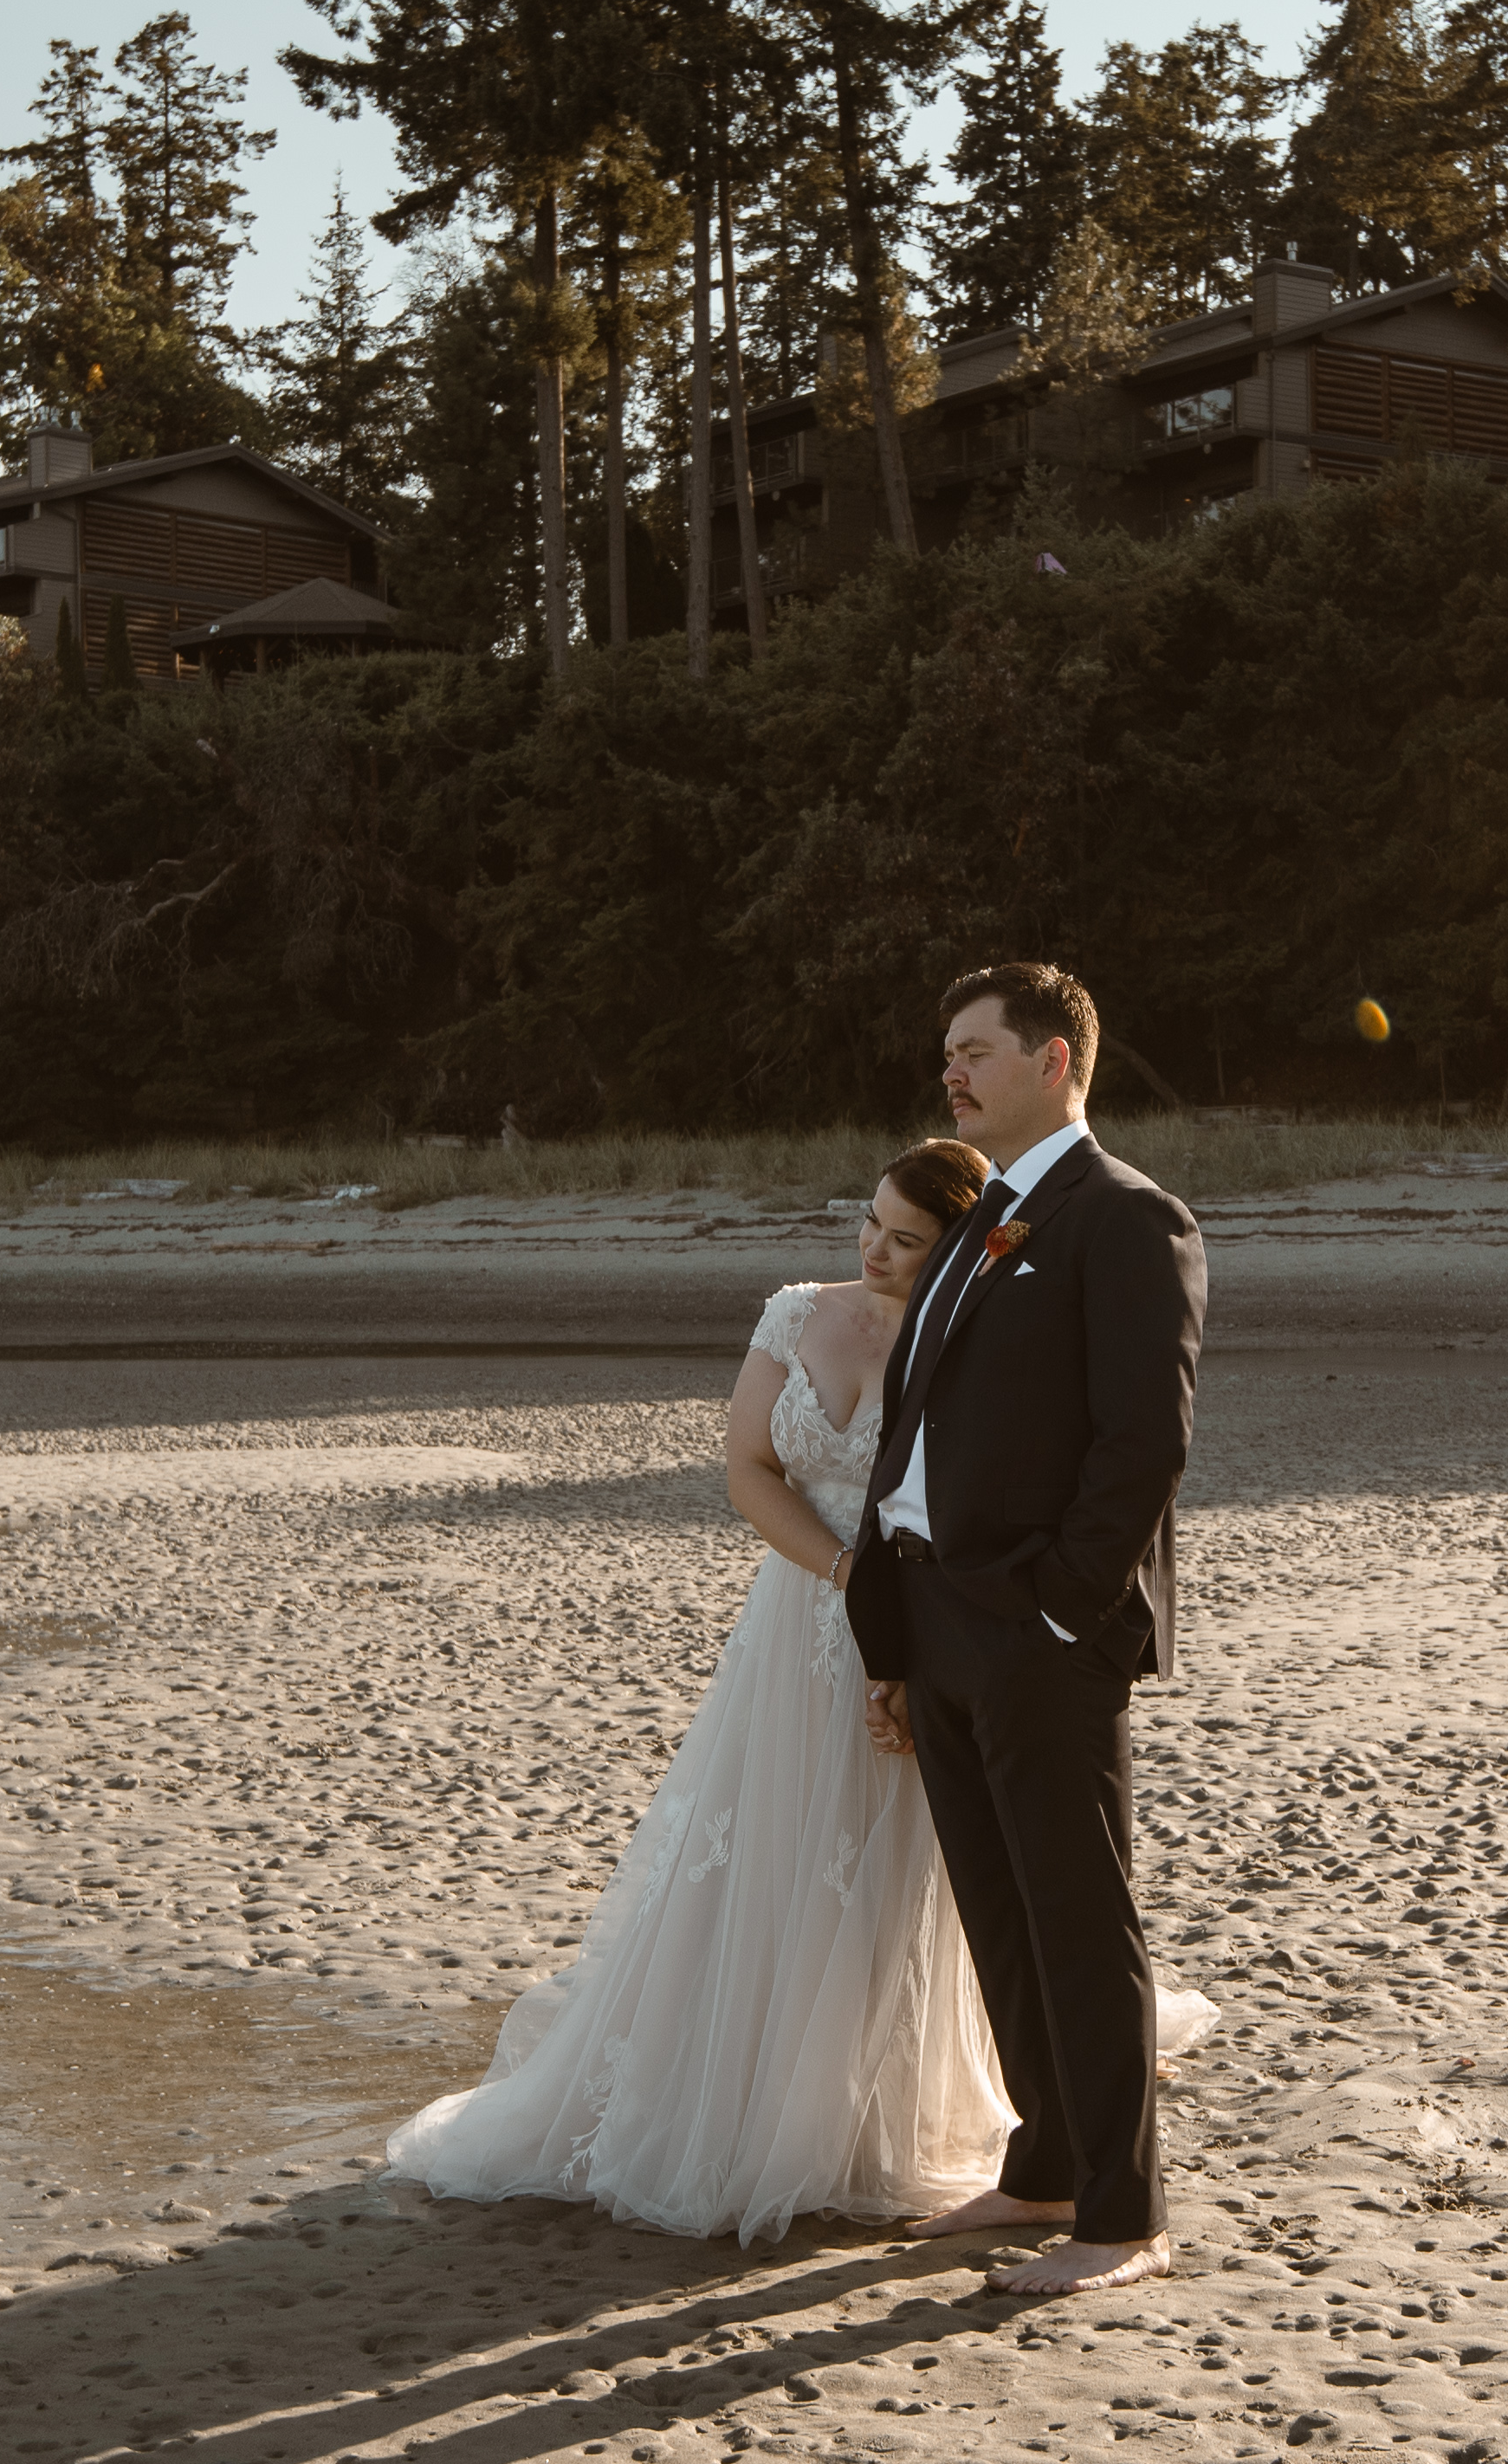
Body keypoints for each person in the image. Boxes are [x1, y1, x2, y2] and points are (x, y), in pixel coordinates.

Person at [381, 1142, 1017, 2241]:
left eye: (903, 1239)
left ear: (953, 1246)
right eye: (866, 1221)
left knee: (888, 1857)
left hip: (920, 1620)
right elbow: (745, 1470)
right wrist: (843, 1577)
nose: (871, 1248)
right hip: (797, 1619)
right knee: (763, 1846)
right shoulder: (793, 1314)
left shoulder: (970, 1335)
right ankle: (729, 2095)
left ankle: (860, 2113)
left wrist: (898, 1636)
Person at [848, 960, 1207, 2301]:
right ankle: (1044, 2166)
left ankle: (1120, 2217)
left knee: (1076, 1917)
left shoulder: (1126, 1217)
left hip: (1039, 1626)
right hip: (935, 1612)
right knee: (998, 1913)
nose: (952, 1070)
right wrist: (896, 1619)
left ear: (1055, 1061)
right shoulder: (986, 1214)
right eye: (947, 1048)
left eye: (978, 1050)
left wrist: (1062, 1604)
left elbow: (1143, 1441)